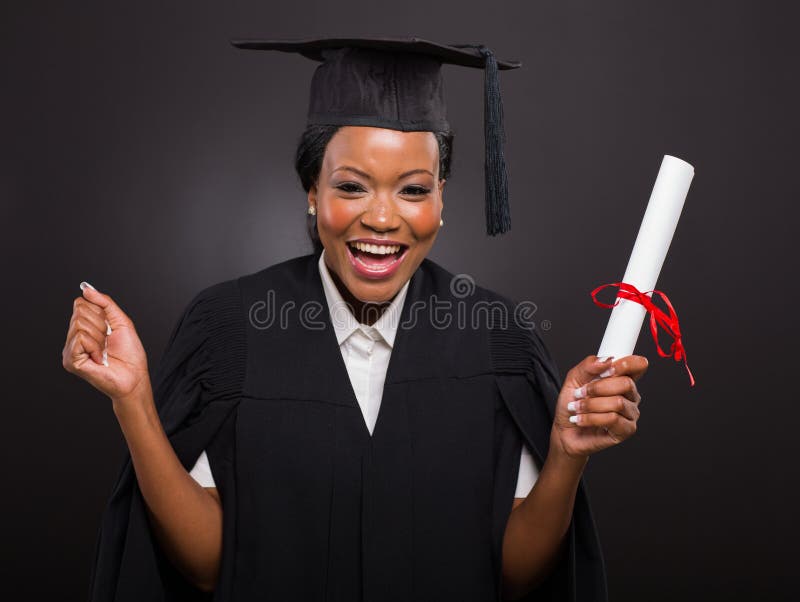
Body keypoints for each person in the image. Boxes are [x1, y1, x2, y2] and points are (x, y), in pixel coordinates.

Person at [62, 37, 647, 602]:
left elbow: (515, 577)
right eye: (351, 186)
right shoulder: (229, 331)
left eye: (414, 189)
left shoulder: (497, 342)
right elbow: (211, 567)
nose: (383, 217)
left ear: (442, 199)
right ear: (311, 190)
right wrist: (134, 401)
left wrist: (568, 456)